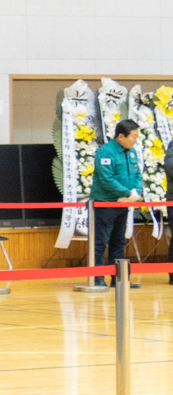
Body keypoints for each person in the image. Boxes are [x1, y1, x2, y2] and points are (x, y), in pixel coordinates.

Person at [89, 116, 144, 288]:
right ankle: (97, 278)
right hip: (106, 203)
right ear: (121, 136)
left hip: (124, 204)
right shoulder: (106, 152)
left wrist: (136, 192)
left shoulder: (132, 152)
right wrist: (128, 192)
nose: (135, 140)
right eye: (133, 136)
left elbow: (137, 175)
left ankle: (119, 280)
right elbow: (106, 179)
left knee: (119, 241)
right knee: (101, 241)